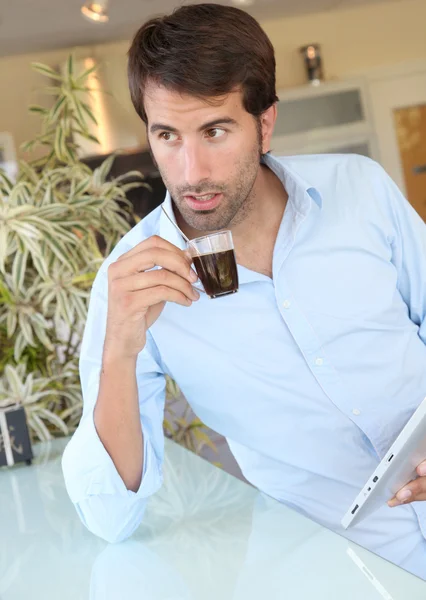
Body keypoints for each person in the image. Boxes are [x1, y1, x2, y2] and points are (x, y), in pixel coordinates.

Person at [62, 3, 426, 578]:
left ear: (265, 123)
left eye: (214, 130)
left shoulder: (361, 189)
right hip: (336, 570)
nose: (190, 171)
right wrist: (118, 350)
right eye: (167, 135)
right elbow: (110, 517)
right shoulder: (131, 282)